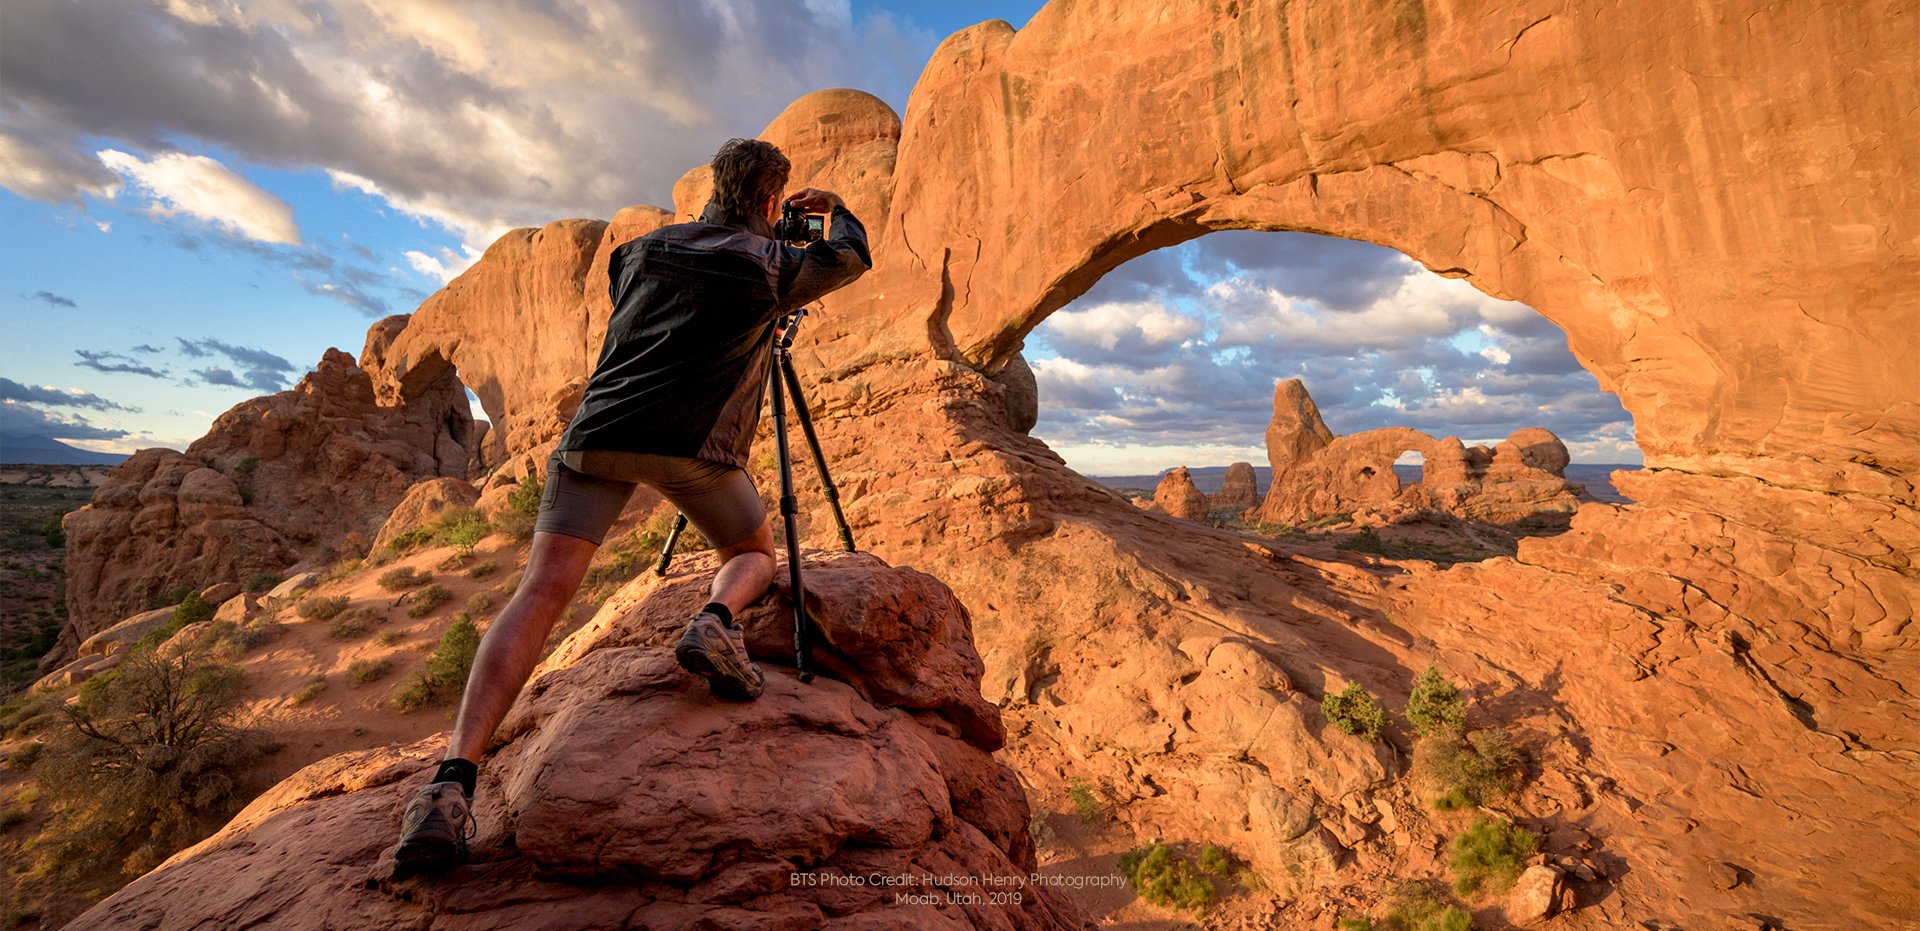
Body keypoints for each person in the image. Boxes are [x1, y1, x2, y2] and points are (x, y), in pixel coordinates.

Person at [389, 138, 871, 876]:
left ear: (716, 187)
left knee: (539, 593)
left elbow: (649, 311)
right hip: (693, 447)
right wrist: (832, 210)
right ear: (774, 202)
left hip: (598, 435)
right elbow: (851, 256)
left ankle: (449, 785)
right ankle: (715, 621)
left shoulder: (637, 252)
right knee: (752, 553)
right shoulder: (774, 265)